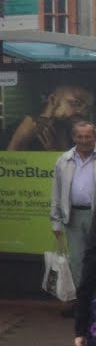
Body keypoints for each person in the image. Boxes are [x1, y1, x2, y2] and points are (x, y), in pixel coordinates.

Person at [53, 121, 96, 317]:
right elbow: (56, 193)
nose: (84, 140)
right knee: (78, 262)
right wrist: (56, 221)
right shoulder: (64, 161)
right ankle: (83, 304)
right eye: (80, 136)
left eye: (88, 136)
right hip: (73, 217)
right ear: (74, 138)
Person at [7, 84, 94, 151]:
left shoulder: (80, 137)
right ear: (53, 100)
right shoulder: (15, 130)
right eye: (76, 103)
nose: (83, 113)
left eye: (88, 108)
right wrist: (18, 140)